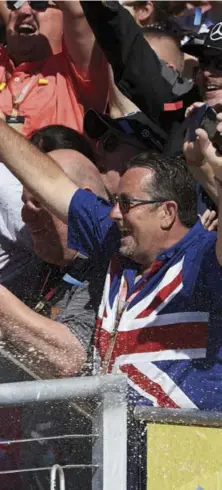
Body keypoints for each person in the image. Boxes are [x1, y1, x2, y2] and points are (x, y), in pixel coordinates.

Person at [0, 0, 108, 137]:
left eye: (39, 3)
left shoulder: (75, 71)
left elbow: (77, 11)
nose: (22, 11)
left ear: (65, 15)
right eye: (15, 3)